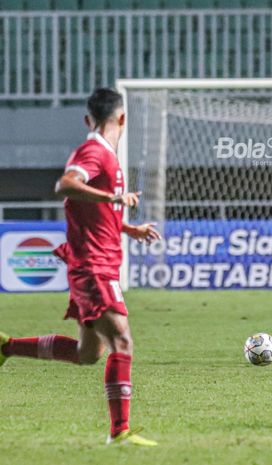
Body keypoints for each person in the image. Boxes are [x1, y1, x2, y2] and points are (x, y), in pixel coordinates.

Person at [0, 88, 161, 445]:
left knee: (87, 354)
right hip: (92, 264)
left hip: (99, 261)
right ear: (122, 119)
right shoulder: (94, 151)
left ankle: (6, 347)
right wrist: (112, 197)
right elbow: (66, 185)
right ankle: (120, 432)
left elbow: (95, 210)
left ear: (89, 118)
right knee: (122, 338)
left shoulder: (106, 156)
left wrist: (126, 226)